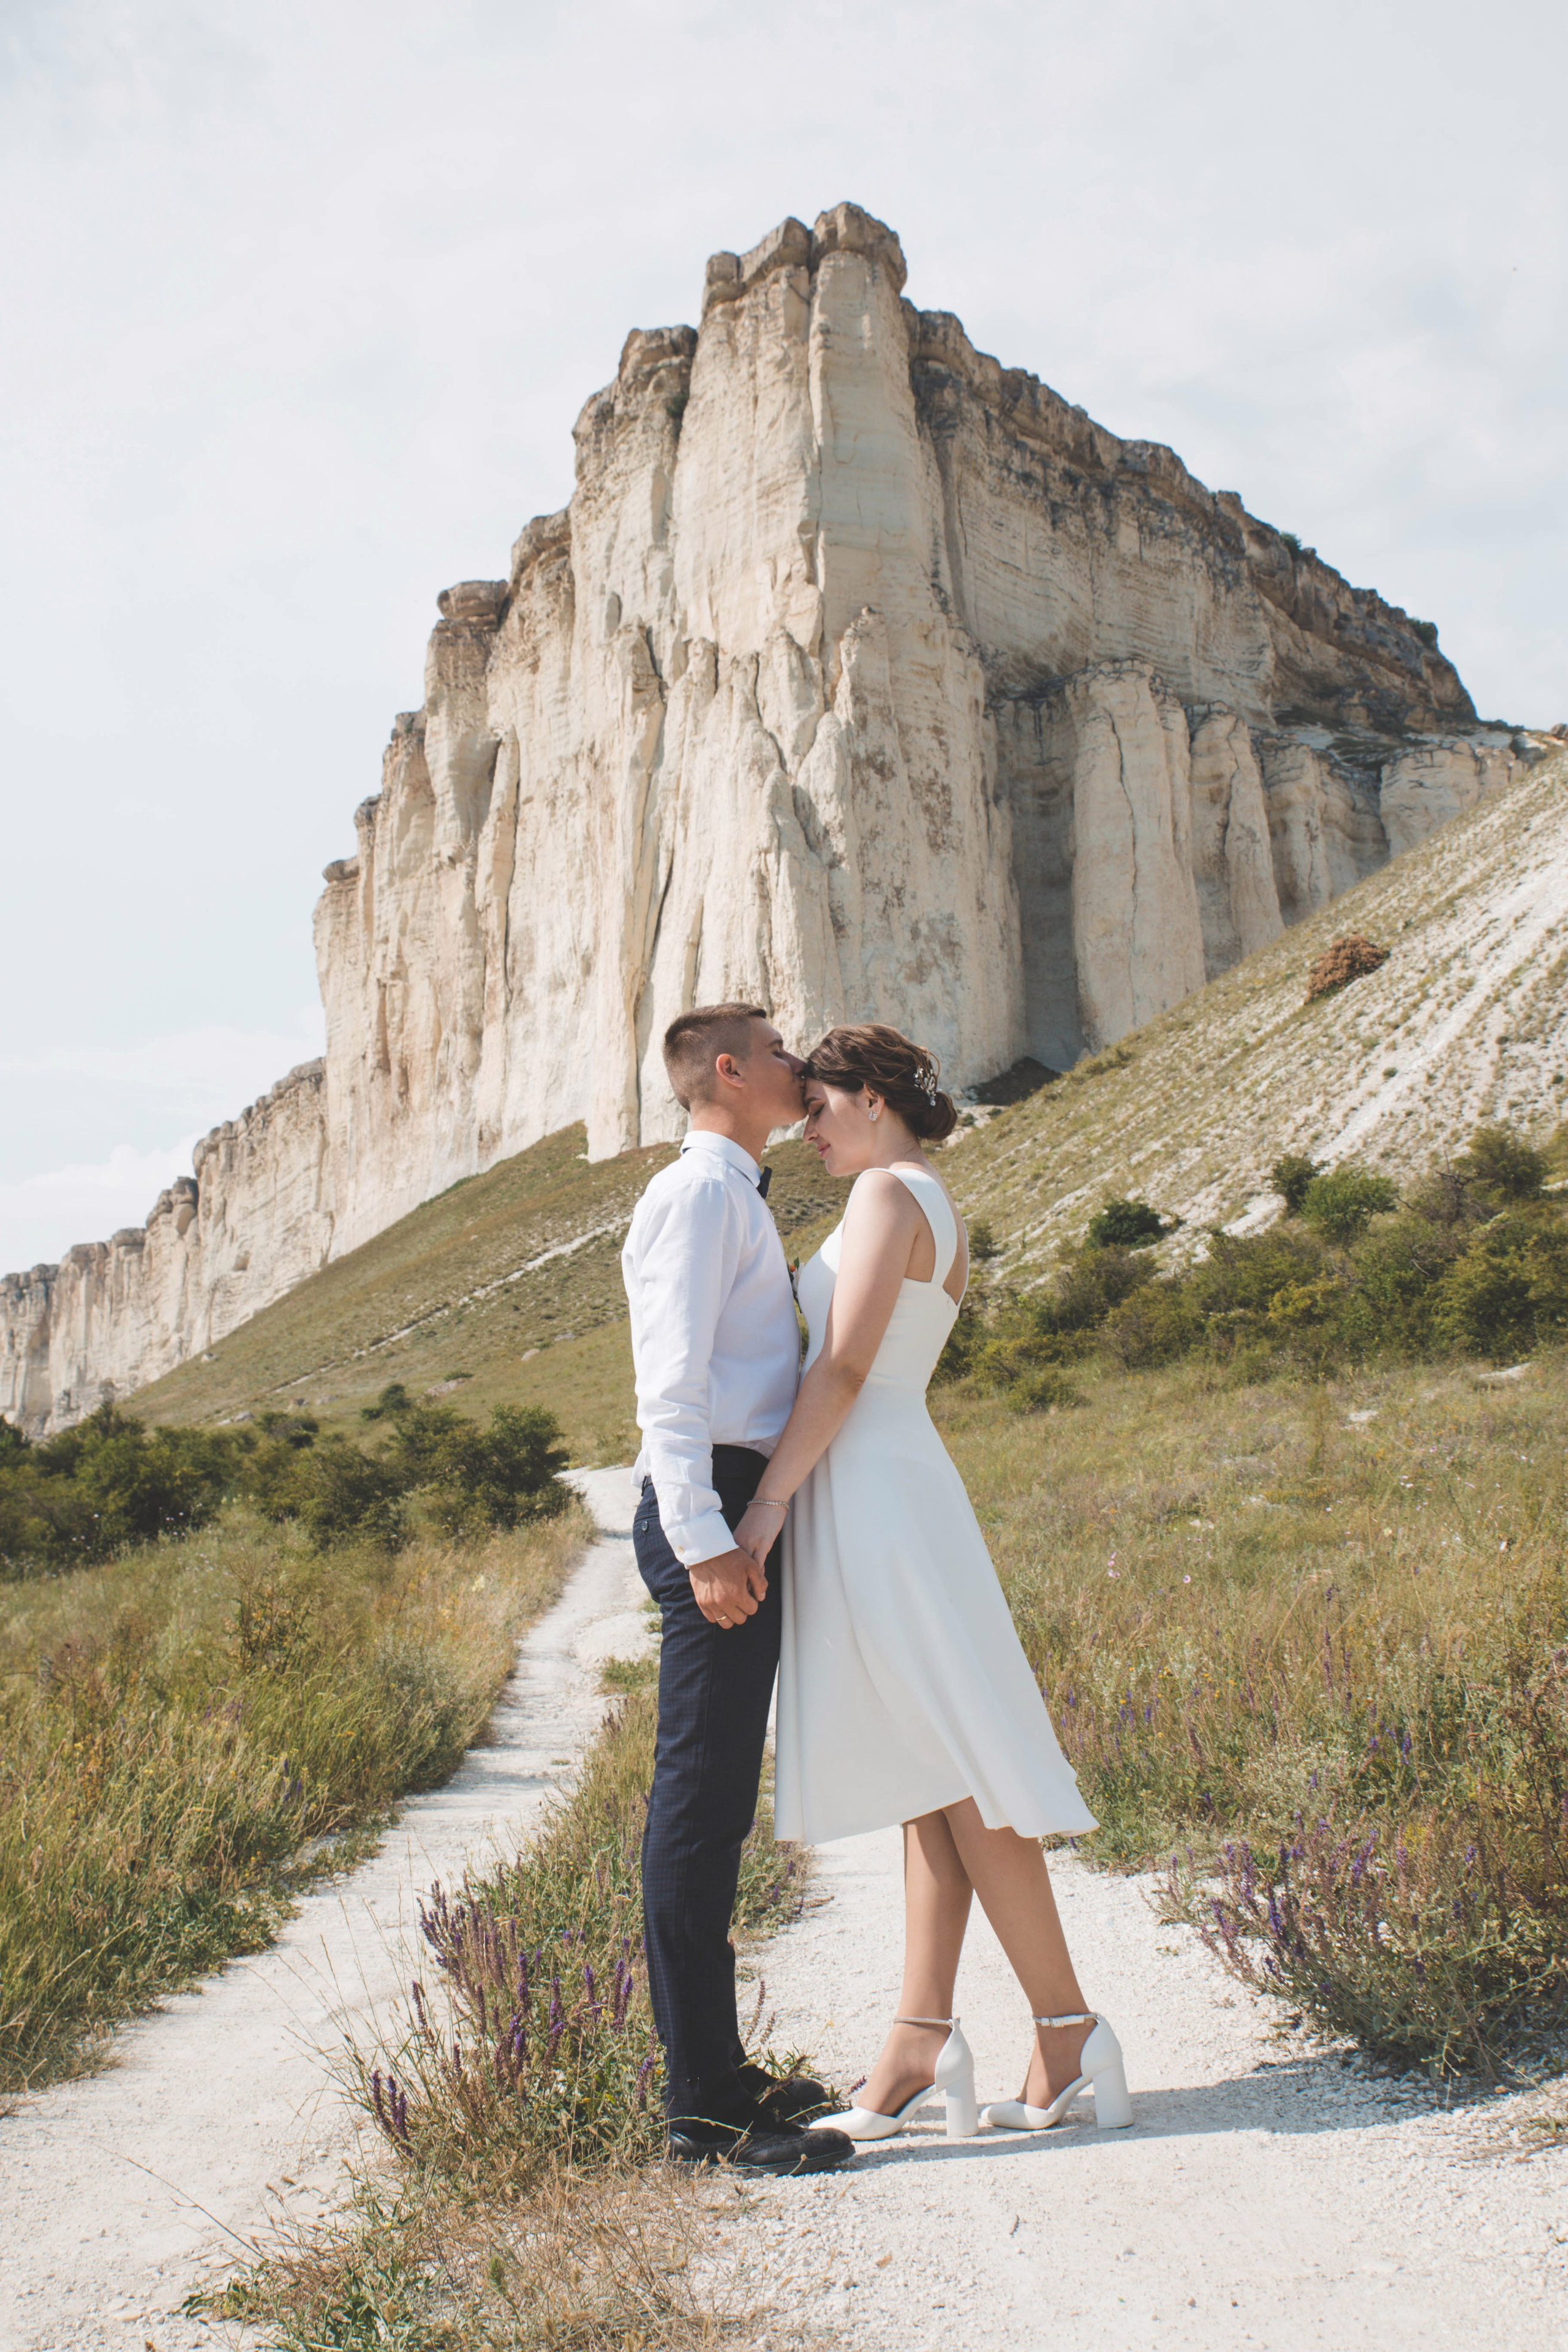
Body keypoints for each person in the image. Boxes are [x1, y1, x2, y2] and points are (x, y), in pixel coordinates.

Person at [733, 1022, 1131, 2143]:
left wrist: (766, 1505)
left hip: (873, 1494)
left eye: (817, 1108)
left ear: (868, 1097)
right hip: (899, 1481)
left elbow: (845, 1364)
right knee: (928, 1768)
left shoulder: (883, 1199)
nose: (805, 1131)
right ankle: (921, 2035)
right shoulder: (933, 1198)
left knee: (955, 1770)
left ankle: (1065, 2024)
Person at [621, 1002, 855, 2176]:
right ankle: (701, 2108)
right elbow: (671, 1386)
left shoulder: (730, 1192)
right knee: (701, 1804)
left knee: (716, 1805)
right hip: (705, 1506)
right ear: (726, 1071)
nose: (797, 1064)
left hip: (724, 1501)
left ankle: (719, 2069)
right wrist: (709, 1539)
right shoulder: (703, 1194)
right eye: (777, 1052)